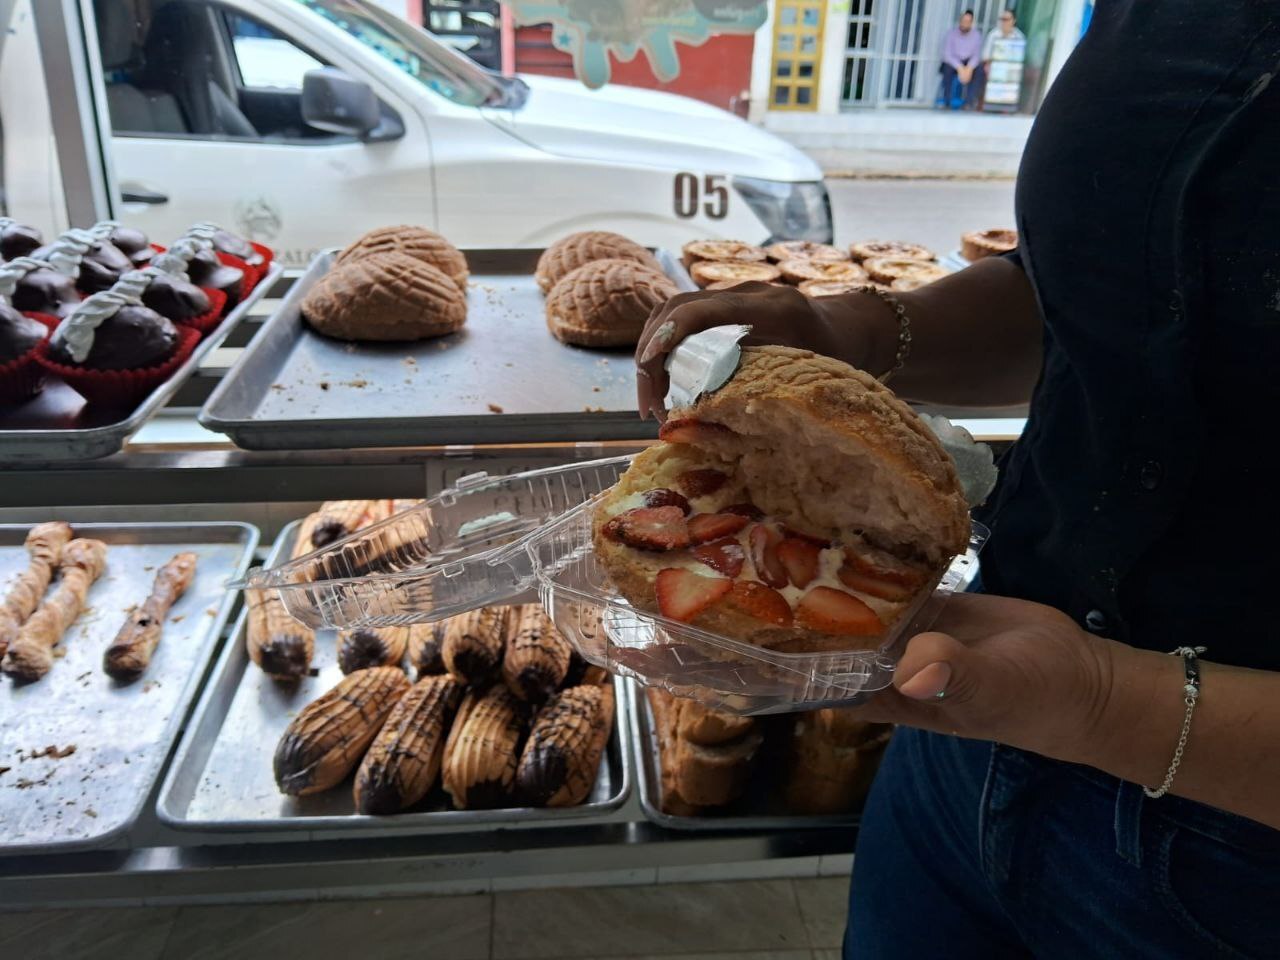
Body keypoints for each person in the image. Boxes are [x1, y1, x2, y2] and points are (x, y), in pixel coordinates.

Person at [635, 3, 1280, 957]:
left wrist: (1100, 701)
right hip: (970, 739)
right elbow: (1083, 297)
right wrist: (852, 337)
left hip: (1237, 867)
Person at [939, 9, 984, 109]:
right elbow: (947, 55)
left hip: (968, 63)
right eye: (963, 21)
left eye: (968, 22)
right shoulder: (951, 34)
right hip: (954, 63)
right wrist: (960, 67)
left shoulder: (977, 36)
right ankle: (947, 102)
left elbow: (976, 56)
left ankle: (968, 103)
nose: (965, 24)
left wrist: (969, 68)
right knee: (947, 68)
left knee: (980, 70)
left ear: (972, 23)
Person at [980, 8, 1025, 106]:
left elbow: (1020, 58)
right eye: (1002, 19)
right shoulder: (993, 35)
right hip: (994, 66)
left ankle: (1008, 105)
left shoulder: (1019, 37)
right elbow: (985, 56)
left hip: (1011, 68)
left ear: (1013, 21)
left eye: (1006, 19)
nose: (1004, 22)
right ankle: (988, 104)